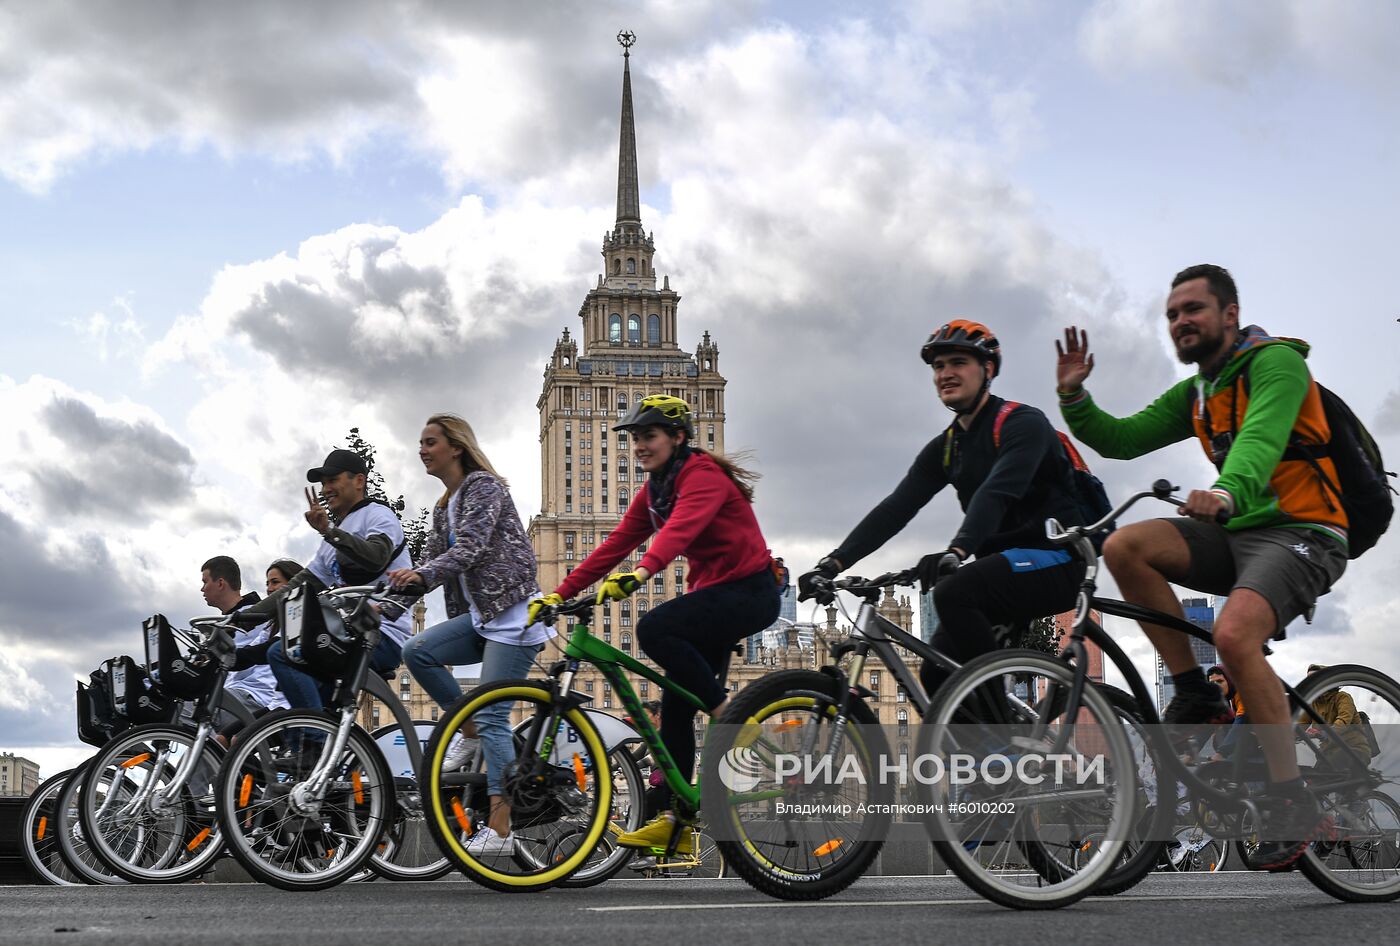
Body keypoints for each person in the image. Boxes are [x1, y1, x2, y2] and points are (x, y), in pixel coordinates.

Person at [1055, 263, 1348, 869]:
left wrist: (1227, 491)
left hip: (1304, 531)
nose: (1181, 322)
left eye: (1194, 309)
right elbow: (1121, 437)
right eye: (1172, 314)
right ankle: (1195, 690)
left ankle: (1290, 798)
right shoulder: (1198, 394)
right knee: (1123, 547)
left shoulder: (1277, 365)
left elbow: (1260, 442)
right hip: (1237, 532)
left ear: (1230, 314)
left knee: (1234, 634)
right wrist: (1073, 398)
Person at [528, 394, 779, 853]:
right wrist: (558, 594)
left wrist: (643, 572)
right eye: (635, 438)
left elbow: (680, 528)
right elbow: (615, 545)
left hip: (750, 591)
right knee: (678, 706)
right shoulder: (655, 490)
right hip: (713, 595)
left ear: (678, 437)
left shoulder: (702, 475)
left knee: (653, 629)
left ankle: (731, 716)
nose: (638, 446)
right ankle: (677, 823)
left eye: (649, 436)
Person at [799, 320, 1089, 699]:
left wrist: (957, 551)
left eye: (957, 362)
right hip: (1007, 570)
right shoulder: (949, 447)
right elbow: (897, 508)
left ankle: (999, 726)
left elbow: (997, 492)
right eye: (938, 366)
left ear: (987, 370)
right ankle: (987, 751)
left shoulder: (1022, 423)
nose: (945, 374)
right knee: (937, 675)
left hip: (1060, 558)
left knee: (953, 591)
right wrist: (833, 564)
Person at [386, 413, 547, 857]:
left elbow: (471, 548)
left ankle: (500, 829)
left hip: (514, 615)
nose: (422, 449)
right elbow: (431, 571)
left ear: (455, 447)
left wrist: (419, 572)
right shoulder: (445, 506)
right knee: (417, 650)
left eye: (430, 441)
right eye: (420, 442)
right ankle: (470, 726)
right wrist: (384, 604)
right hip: (481, 617)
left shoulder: (485, 487)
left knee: (496, 715)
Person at [233, 449, 413, 710]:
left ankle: (314, 739)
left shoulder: (377, 515)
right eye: (323, 483)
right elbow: (297, 586)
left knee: (282, 654)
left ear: (359, 481)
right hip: (347, 634)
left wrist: (328, 531)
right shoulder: (333, 538)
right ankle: (315, 742)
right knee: (285, 690)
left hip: (381, 635)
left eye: (332, 480)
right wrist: (240, 622)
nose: (325, 489)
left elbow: (376, 556)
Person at [197, 555, 288, 742]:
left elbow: (258, 652)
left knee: (189, 705)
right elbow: (250, 652)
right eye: (268, 583)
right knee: (220, 741)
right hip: (262, 698)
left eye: (275, 582)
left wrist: (220, 659)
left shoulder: (254, 617)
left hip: (259, 697)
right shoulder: (271, 625)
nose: (269, 589)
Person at [1304, 663, 1373, 767]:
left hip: (1352, 748)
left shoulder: (1342, 697)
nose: (1311, 682)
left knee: (1324, 772)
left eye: (1314, 678)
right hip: (1328, 751)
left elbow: (1344, 720)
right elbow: (1300, 724)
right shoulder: (1313, 704)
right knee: (1312, 777)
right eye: (1308, 680)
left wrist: (1324, 733)